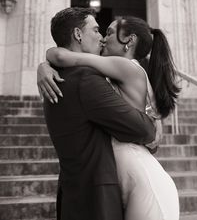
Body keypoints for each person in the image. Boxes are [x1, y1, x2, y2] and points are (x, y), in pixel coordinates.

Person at [38, 11, 180, 220]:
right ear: (78, 35)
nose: (103, 37)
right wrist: (45, 66)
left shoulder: (121, 67)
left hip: (141, 176)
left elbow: (62, 56)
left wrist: (46, 62)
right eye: (98, 30)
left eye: (109, 32)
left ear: (129, 41)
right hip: (124, 173)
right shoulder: (94, 75)